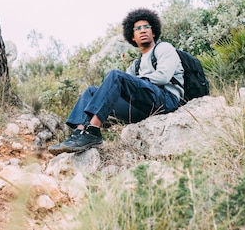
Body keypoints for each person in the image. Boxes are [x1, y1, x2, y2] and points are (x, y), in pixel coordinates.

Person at [48, 8, 184, 155]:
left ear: (154, 32)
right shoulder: (136, 65)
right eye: (137, 29)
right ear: (132, 37)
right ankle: (79, 133)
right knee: (92, 91)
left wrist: (136, 81)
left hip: (167, 100)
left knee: (116, 75)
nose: (142, 31)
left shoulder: (163, 48)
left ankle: (93, 131)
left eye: (146, 27)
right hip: (143, 108)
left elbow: (163, 77)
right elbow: (120, 89)